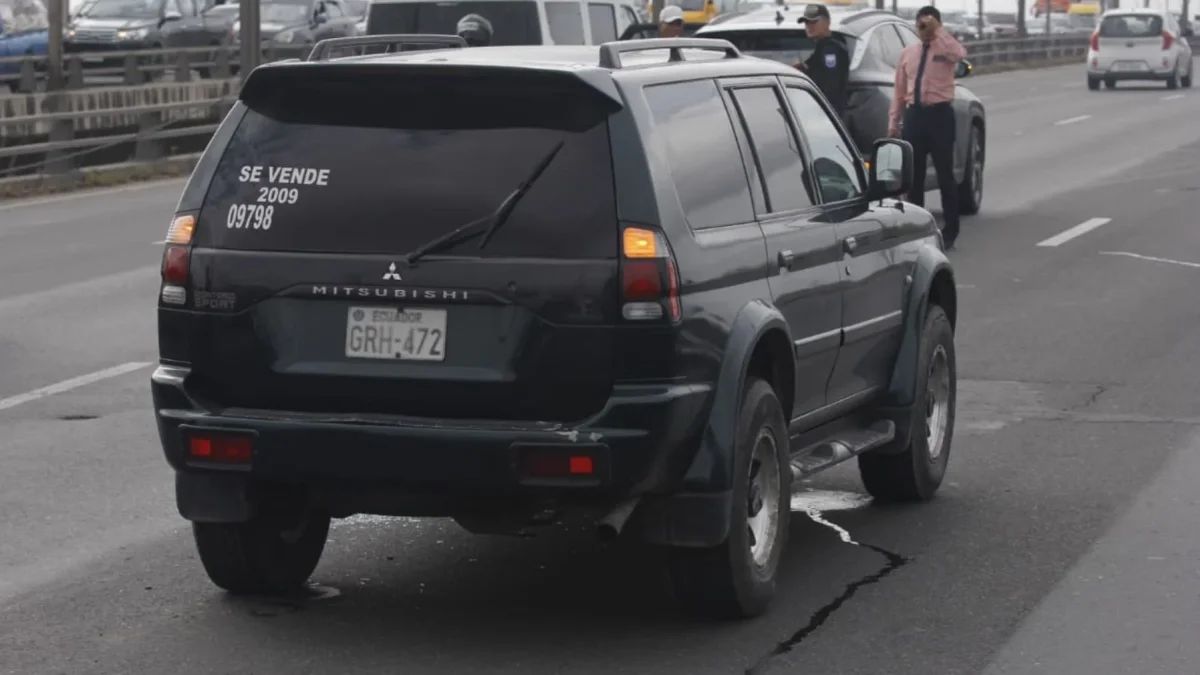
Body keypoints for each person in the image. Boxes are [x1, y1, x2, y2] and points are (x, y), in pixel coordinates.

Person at [887, 5, 967, 249]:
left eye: (927, 23)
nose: (923, 28)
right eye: (920, 24)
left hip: (940, 115)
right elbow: (899, 91)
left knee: (945, 175)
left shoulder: (946, 47)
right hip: (915, 116)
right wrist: (893, 122)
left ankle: (951, 230)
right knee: (914, 177)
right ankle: (918, 229)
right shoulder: (908, 52)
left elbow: (960, 54)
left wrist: (938, 31)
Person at [793, 4, 849, 121]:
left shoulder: (830, 50)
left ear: (827, 22)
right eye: (807, 23)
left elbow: (829, 87)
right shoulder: (823, 47)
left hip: (826, 116)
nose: (809, 26)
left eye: (814, 22)